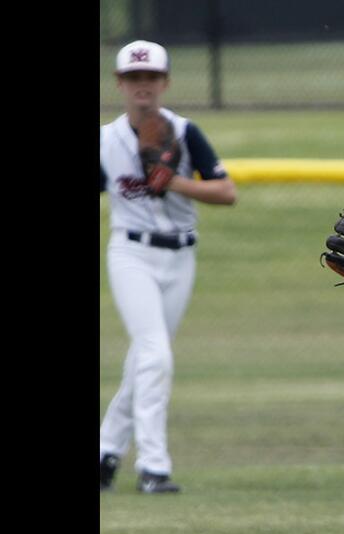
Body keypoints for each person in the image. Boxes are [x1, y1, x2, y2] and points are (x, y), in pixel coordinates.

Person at [99, 40, 237, 494]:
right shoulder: (107, 140)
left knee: (145, 358)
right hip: (130, 253)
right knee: (155, 353)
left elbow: (226, 192)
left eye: (151, 77)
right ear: (120, 83)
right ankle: (153, 468)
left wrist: (173, 181)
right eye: (134, 78)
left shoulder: (185, 131)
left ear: (165, 82)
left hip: (180, 256)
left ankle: (105, 453)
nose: (143, 86)